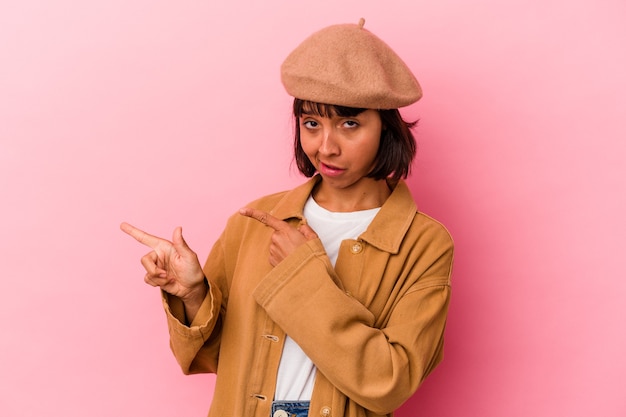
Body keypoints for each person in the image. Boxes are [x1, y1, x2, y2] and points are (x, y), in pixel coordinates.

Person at [121, 19, 453, 417]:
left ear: (387, 127)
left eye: (349, 123)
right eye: (312, 123)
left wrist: (303, 273)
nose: (325, 147)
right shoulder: (254, 222)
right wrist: (193, 295)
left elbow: (390, 382)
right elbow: (216, 357)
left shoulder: (424, 244)